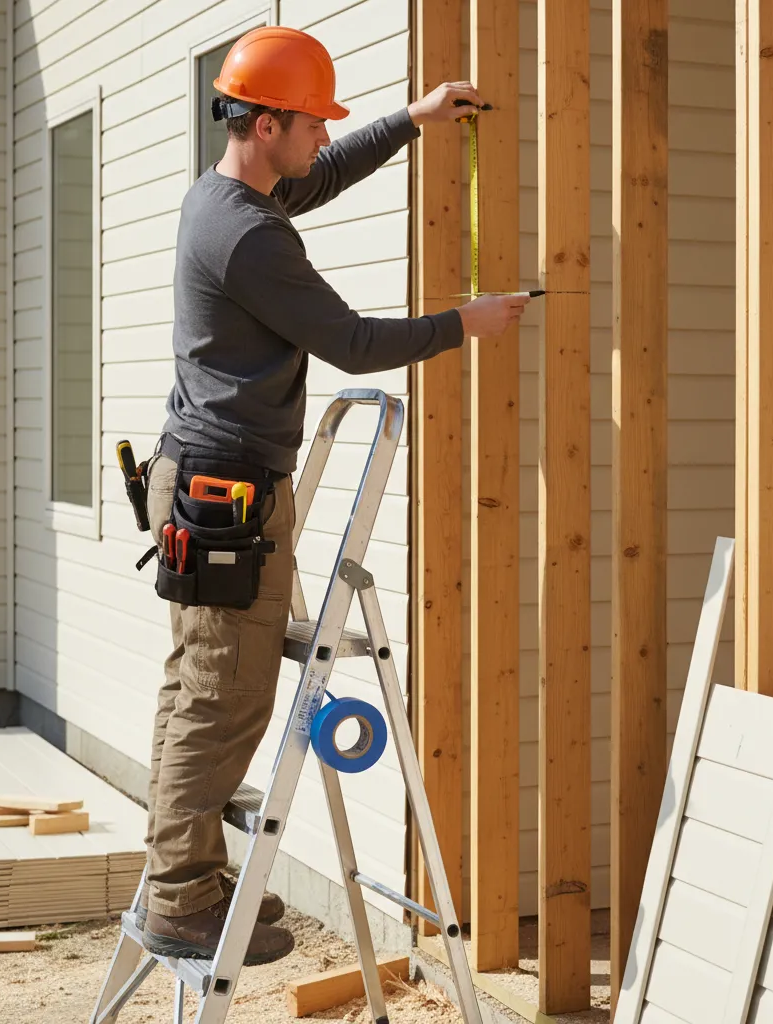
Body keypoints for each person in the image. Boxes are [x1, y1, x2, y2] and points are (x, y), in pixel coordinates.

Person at [138, 25, 530, 965]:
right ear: (264, 122)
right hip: (224, 491)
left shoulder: (234, 194)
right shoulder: (245, 236)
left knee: (197, 687)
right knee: (221, 699)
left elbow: (321, 177)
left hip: (209, 478)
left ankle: (183, 870)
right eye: (310, 123)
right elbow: (351, 343)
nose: (321, 136)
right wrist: (461, 325)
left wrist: (412, 120)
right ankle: (180, 896)